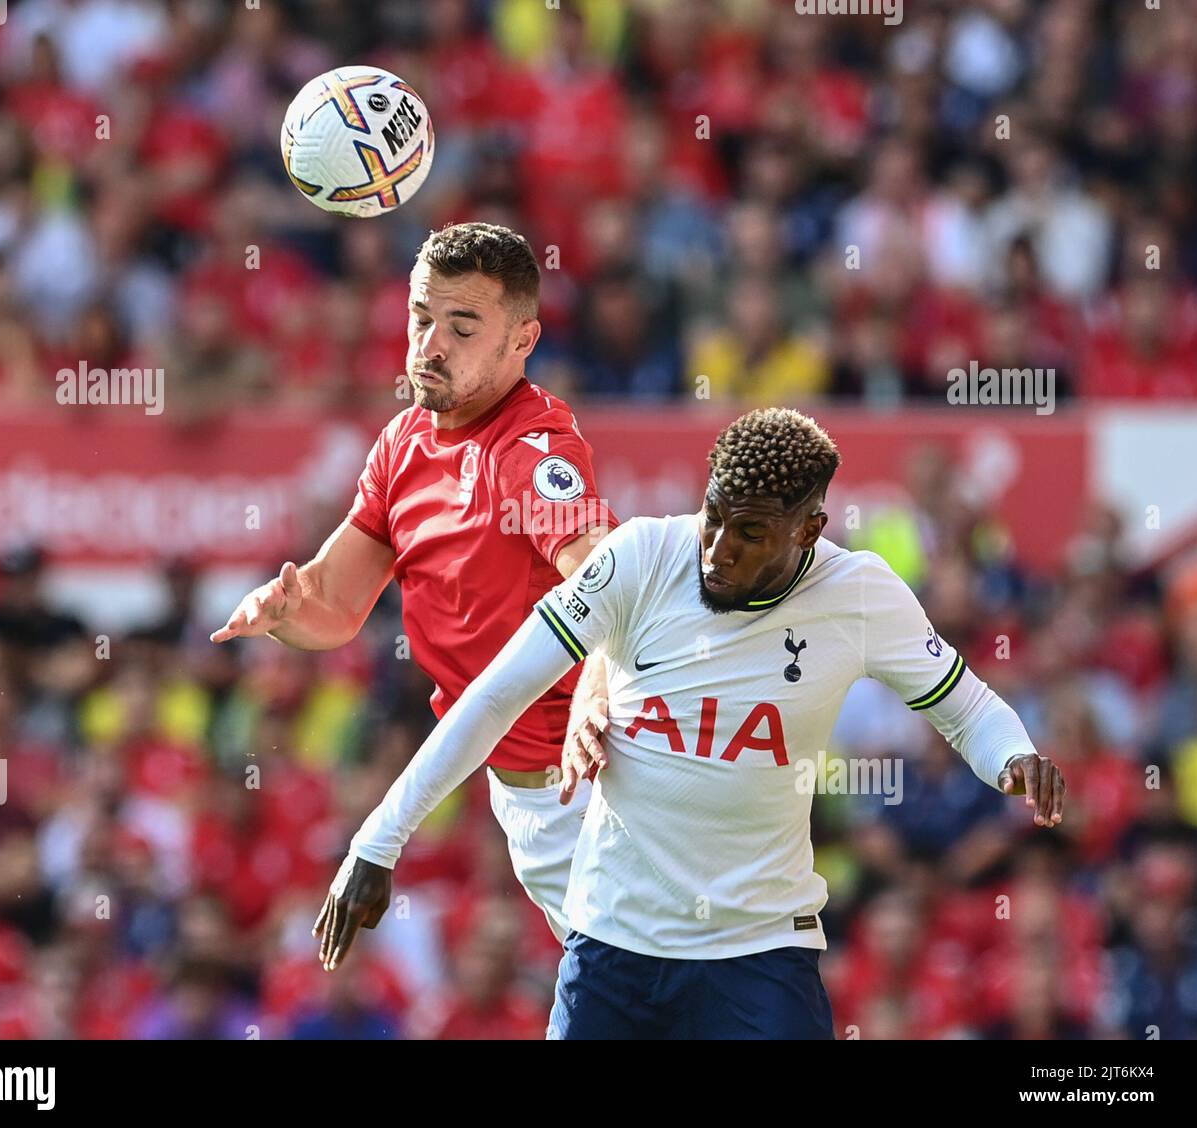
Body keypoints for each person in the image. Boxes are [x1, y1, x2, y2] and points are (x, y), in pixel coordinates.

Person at [317, 407, 1066, 1038]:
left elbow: (962, 705)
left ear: (809, 529)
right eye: (713, 517)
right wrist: (379, 842)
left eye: (750, 534)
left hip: (761, 950)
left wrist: (1013, 755)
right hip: (615, 944)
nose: (717, 550)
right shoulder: (641, 556)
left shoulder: (861, 594)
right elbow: (493, 696)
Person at [211, 222, 617, 939]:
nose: (431, 345)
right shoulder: (403, 445)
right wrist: (286, 607)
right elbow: (335, 607)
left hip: (599, 793)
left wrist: (599, 680)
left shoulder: (529, 449)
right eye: (421, 318)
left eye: (463, 328)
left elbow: (606, 576)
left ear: (522, 341)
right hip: (520, 795)